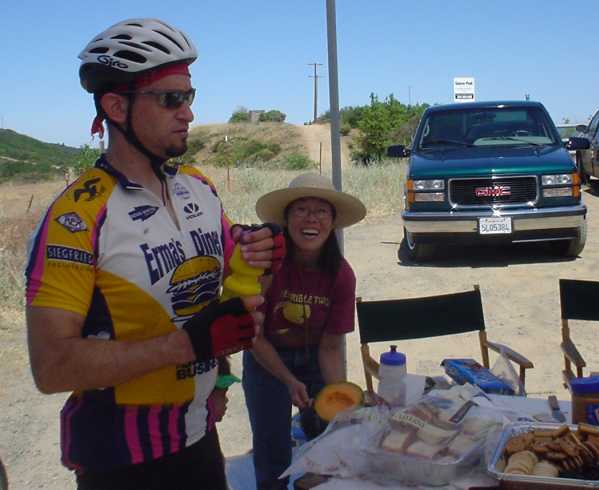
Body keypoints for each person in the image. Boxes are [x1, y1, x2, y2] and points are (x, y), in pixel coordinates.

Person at [24, 18, 284, 490]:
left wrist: (260, 252)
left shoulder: (199, 188)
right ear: (116, 106)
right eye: (170, 99)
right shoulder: (77, 219)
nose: (187, 113)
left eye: (189, 96)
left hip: (199, 440)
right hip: (121, 461)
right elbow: (51, 366)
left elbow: (223, 299)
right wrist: (186, 346)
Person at [242, 173, 366, 490]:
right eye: (301, 209)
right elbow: (252, 335)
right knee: (272, 446)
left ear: (332, 221)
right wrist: (287, 379)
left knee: (329, 437)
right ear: (286, 218)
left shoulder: (341, 274)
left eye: (321, 211)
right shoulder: (265, 265)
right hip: (265, 358)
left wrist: (342, 395)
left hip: (315, 357)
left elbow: (332, 346)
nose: (311, 219)